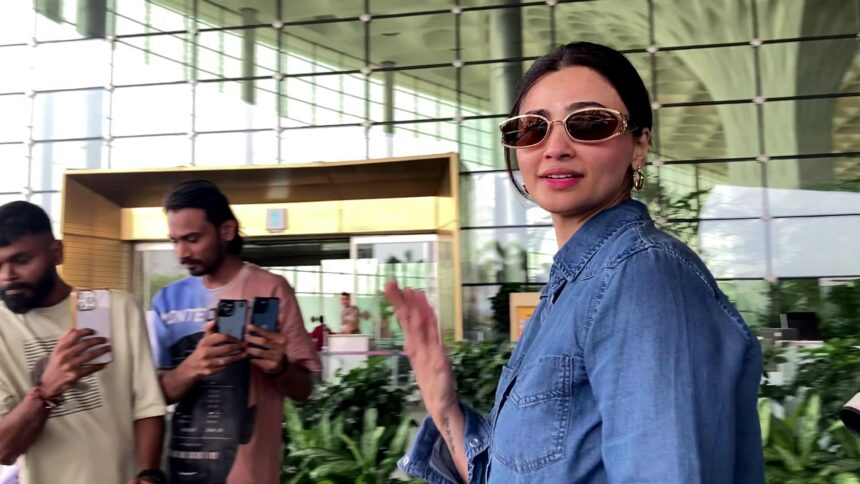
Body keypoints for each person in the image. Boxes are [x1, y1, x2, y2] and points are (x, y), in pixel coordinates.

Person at [385, 42, 764, 483]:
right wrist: (440, 398)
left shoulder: (641, 276)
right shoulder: (573, 288)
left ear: (638, 146)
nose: (555, 147)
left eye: (589, 124)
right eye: (532, 128)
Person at [150, 180, 320, 484]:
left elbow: (304, 389)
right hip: (181, 471)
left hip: (250, 474)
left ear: (226, 231)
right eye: (174, 240)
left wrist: (280, 368)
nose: (181, 253)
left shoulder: (270, 289)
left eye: (192, 239)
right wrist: (193, 366)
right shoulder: (167, 299)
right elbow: (155, 396)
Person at [0, 201, 166, 484]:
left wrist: (147, 473)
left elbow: (147, 406)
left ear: (57, 252)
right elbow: (5, 449)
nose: (7, 277)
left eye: (21, 260)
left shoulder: (114, 309)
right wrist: (47, 389)